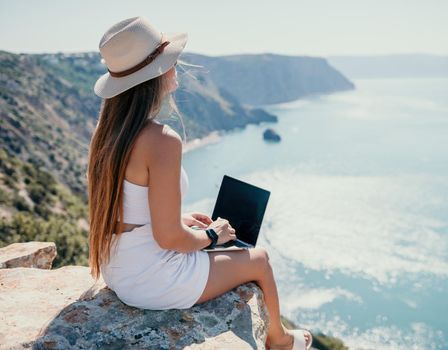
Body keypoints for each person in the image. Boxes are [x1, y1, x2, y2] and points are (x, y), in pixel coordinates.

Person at [87, 16, 312, 350]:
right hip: (152, 280)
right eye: (171, 62)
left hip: (118, 268)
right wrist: (211, 236)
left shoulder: (108, 134)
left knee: (233, 247)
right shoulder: (162, 140)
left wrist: (181, 219)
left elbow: (131, 210)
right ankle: (278, 339)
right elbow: (169, 239)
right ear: (157, 74)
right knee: (260, 259)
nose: (176, 69)